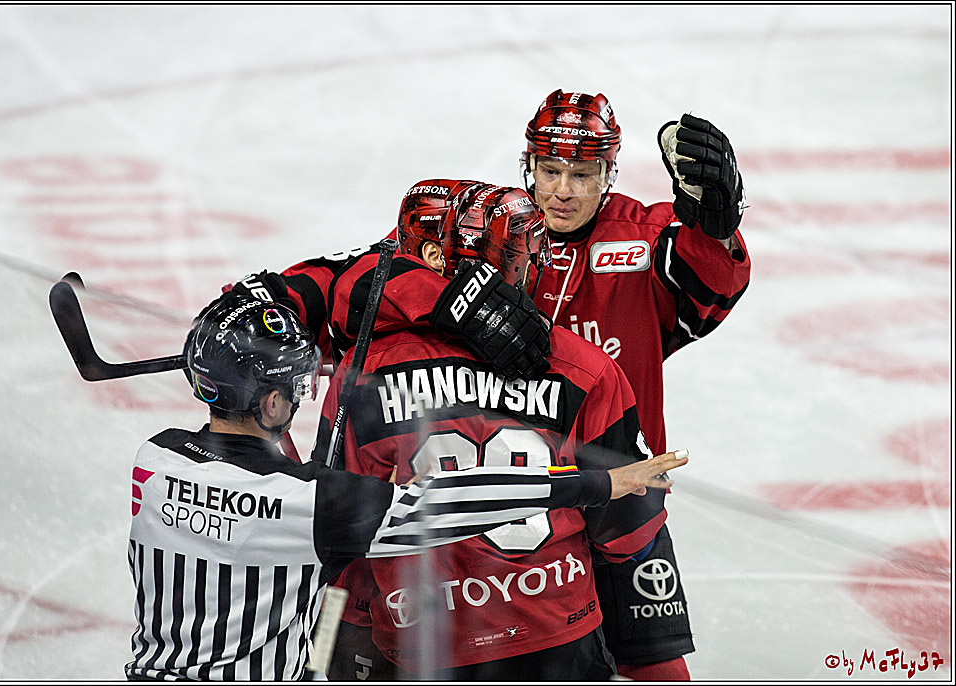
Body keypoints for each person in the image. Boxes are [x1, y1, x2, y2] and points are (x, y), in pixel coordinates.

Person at [123, 292, 688, 681]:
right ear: (272, 404)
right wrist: (598, 481)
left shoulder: (155, 460)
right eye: (294, 386)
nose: (300, 395)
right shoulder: (308, 504)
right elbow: (448, 502)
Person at [312, 181, 686, 679]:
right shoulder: (584, 366)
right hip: (555, 633)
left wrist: (340, 644)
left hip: (423, 641)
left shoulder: (364, 371)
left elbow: (339, 529)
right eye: (524, 255)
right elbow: (630, 531)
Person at [520, 89, 752, 681]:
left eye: (582, 173)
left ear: (608, 174)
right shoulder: (497, 233)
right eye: (550, 171)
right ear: (529, 167)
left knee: (657, 668)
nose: (562, 190)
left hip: (626, 495)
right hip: (520, 502)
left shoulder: (644, 236)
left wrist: (716, 225)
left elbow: (712, 287)